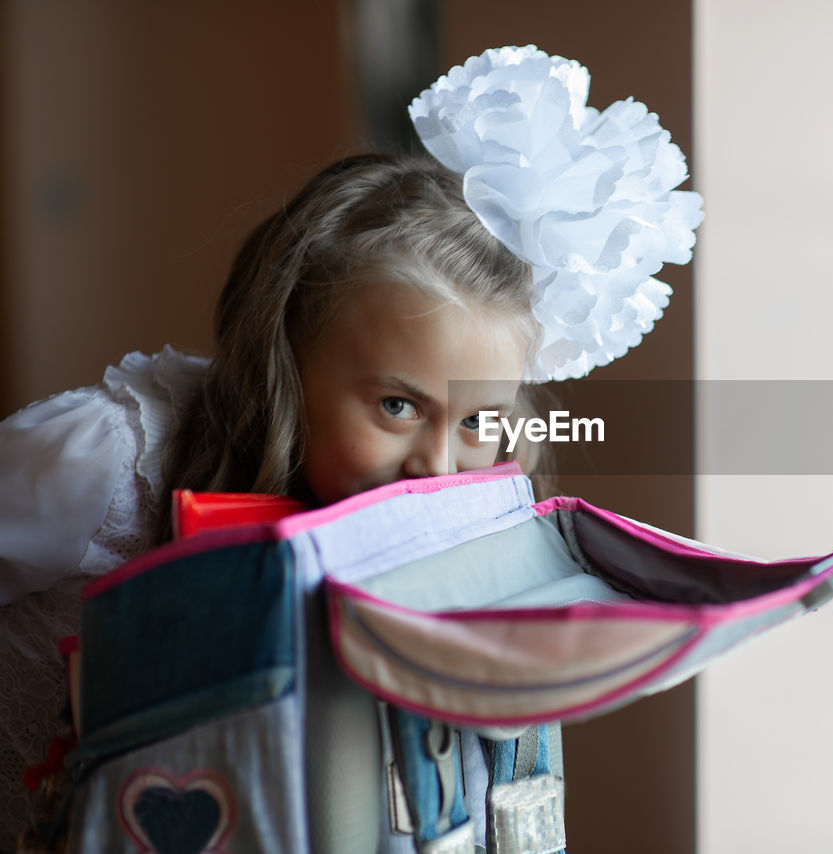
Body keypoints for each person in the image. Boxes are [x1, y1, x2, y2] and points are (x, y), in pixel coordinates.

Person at [0, 45, 702, 852]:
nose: (438, 467)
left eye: (479, 422)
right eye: (398, 406)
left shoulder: (474, 539)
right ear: (285, 368)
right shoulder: (108, 461)